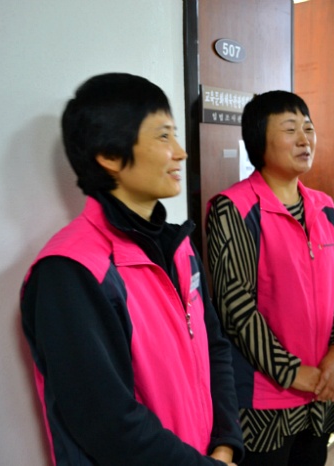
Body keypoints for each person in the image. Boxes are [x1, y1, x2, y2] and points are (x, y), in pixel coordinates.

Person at [20, 73, 244, 466]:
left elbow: (215, 346)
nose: (180, 152)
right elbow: (107, 423)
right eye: (163, 136)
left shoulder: (178, 246)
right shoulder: (71, 271)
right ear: (109, 155)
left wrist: (225, 443)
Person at [205, 90, 334, 466]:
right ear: (260, 141)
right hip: (264, 400)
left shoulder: (323, 206)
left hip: (320, 388)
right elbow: (235, 307)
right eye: (290, 130)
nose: (305, 139)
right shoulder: (234, 208)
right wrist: (290, 372)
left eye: (308, 128)